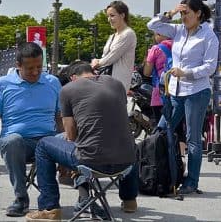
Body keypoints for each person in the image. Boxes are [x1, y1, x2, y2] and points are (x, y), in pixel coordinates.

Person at [25, 61, 139, 220]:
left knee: (44, 145)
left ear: (73, 78)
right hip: (126, 163)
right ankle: (129, 200)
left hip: (92, 162)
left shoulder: (68, 90)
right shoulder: (117, 84)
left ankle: (49, 208)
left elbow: (71, 135)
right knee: (128, 143)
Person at [0, 42, 62, 218]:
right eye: (29, 68)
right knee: (12, 141)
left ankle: (77, 199)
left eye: (39, 67)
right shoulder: (3, 85)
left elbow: (60, 119)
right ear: (18, 65)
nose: (35, 72)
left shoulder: (53, 82)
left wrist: (66, 145)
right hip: (18, 142)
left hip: (48, 139)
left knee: (78, 140)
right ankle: (21, 198)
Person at [147, 0, 219, 195]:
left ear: (198, 14)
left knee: (192, 137)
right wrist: (170, 13)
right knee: (161, 129)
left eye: (187, 13)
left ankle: (191, 181)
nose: (184, 17)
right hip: (176, 91)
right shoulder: (178, 30)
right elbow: (151, 25)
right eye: (182, 13)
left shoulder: (208, 36)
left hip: (197, 91)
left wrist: (187, 72)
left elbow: (210, 67)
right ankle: (162, 172)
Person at [91, 0, 137, 92]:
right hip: (108, 80)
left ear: (122, 15)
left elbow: (112, 57)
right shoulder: (112, 36)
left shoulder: (128, 34)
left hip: (119, 82)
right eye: (108, 16)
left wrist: (97, 62)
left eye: (112, 16)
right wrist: (98, 61)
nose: (109, 19)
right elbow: (106, 57)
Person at [144, 32, 174, 125]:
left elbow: (147, 72)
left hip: (160, 93)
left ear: (159, 34)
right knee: (178, 128)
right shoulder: (179, 45)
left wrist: (148, 58)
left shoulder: (155, 49)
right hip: (178, 92)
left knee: (161, 128)